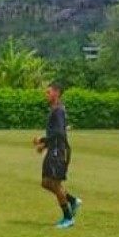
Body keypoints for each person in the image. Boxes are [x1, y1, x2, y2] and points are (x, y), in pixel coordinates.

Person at [34, 83, 81, 229]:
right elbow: (57, 133)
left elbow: (60, 133)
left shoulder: (59, 110)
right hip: (53, 150)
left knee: (54, 183)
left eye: (48, 92)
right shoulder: (54, 110)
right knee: (46, 182)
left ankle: (68, 218)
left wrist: (42, 140)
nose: (46, 95)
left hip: (58, 152)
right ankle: (72, 200)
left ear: (57, 93)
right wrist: (45, 145)